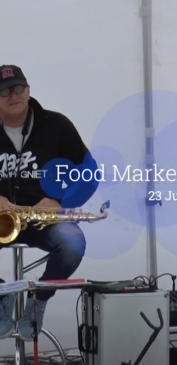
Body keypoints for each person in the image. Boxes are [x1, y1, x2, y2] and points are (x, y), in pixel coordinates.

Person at [0, 64, 95, 341]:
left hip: (46, 221)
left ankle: (39, 298)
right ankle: (1, 297)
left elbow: (90, 174)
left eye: (18, 87)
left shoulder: (57, 126)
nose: (12, 94)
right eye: (4, 90)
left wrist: (60, 201)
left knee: (72, 246)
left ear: (29, 91)